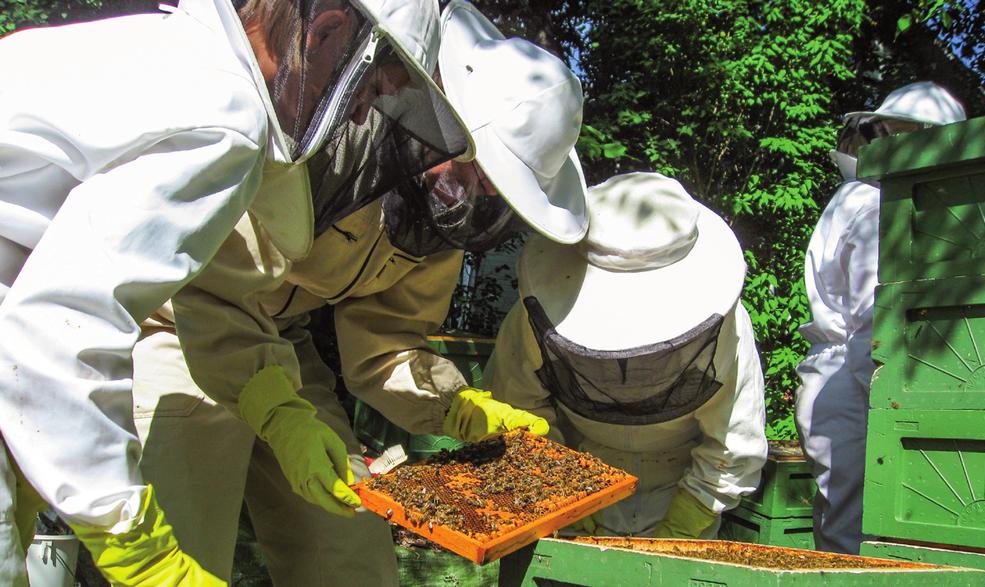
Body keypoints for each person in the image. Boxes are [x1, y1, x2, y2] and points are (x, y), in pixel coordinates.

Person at [0, 0, 469, 584]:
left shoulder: (168, 55)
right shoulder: (224, 111)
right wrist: (138, 547)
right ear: (328, 31)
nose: (358, 117)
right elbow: (59, 323)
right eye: (367, 89)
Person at [129, 1, 587, 584]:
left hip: (282, 348)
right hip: (183, 325)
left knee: (350, 554)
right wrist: (276, 413)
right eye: (478, 171)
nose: (474, 194)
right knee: (184, 543)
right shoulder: (325, 120)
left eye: (496, 189)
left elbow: (385, 346)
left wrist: (456, 404)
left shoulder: (441, 216)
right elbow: (216, 289)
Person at [485, 172, 768, 538]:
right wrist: (558, 489)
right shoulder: (535, 316)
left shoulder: (728, 326)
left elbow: (733, 443)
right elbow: (521, 411)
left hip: (683, 482)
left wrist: (687, 520)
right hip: (573, 474)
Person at [795, 81, 966, 554]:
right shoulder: (875, 204)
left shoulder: (866, 198)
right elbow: (876, 327)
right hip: (856, 382)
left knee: (847, 532)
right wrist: (903, 406)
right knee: (859, 542)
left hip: (842, 378)